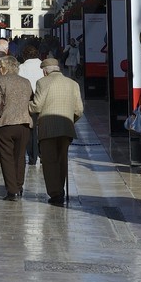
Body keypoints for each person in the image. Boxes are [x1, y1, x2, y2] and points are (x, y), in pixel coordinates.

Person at [30, 57, 83, 205]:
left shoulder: (43, 82)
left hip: (48, 128)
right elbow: (79, 109)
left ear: (45, 71)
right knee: (62, 160)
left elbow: (37, 106)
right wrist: (69, 121)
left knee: (50, 162)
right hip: (66, 128)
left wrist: (26, 105)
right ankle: (61, 188)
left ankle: (56, 193)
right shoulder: (73, 84)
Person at [0, 53, 33, 199]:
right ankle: (19, 185)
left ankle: (12, 190)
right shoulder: (26, 82)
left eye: (0, 67)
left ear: (5, 68)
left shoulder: (0, 81)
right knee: (20, 157)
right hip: (24, 123)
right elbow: (30, 98)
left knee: (6, 157)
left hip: (5, 124)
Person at [18, 45, 45, 166]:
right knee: (43, 128)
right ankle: (42, 153)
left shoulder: (22, 67)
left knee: (31, 129)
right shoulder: (42, 66)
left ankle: (32, 157)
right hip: (42, 100)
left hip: (28, 100)